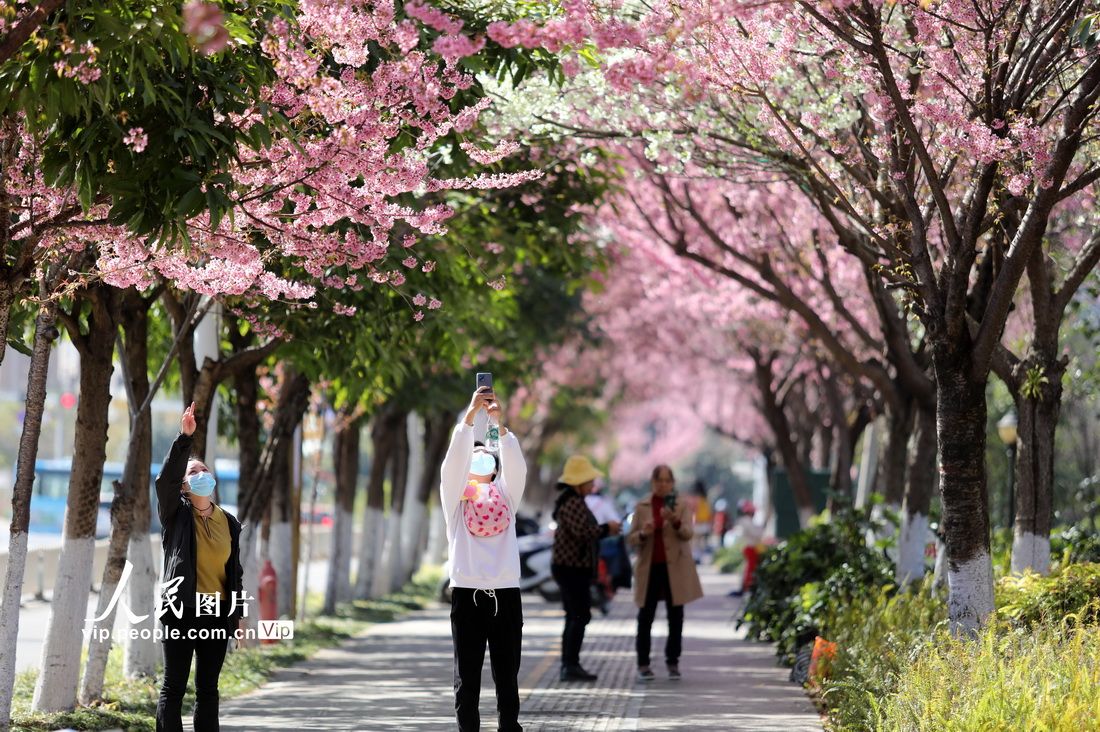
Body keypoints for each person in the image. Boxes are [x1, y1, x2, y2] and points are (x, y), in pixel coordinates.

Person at [440, 386, 527, 732]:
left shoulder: (506, 495)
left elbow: (517, 468)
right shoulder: (455, 502)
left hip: (506, 594)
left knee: (508, 677)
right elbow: (451, 468)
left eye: (483, 456)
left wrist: (499, 427)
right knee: (467, 678)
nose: (476, 460)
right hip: (467, 594)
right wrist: (470, 418)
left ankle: (510, 727)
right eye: (471, 457)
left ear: (493, 467)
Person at [155, 402, 245, 732]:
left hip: (216, 610)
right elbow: (165, 479)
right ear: (183, 485)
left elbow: (235, 573)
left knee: (208, 689)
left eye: (204, 470)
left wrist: (237, 615)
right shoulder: (175, 516)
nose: (201, 475)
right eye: (193, 472)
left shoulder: (230, 522)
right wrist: (184, 438)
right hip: (180, 609)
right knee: (174, 688)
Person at [627, 464, 703, 681]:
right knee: (645, 616)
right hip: (649, 568)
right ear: (652, 482)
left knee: (676, 616)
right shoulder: (642, 506)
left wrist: (674, 520)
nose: (663, 484)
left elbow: (688, 533)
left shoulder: (680, 506)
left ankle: (673, 662)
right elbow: (630, 539)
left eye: (667, 480)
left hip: (675, 568)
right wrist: (643, 533)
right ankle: (643, 663)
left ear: (673, 483)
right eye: (658, 480)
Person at [551, 456, 621, 681]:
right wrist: (606, 529)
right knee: (578, 616)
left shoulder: (574, 500)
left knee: (576, 616)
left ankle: (571, 664)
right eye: (589, 480)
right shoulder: (571, 502)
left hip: (575, 568)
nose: (593, 485)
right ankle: (569, 665)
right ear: (578, 482)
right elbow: (582, 532)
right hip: (570, 569)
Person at [728, 499, 764, 597]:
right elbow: (756, 534)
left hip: (749, 547)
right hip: (750, 547)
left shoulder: (744, 520)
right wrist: (761, 528)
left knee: (749, 568)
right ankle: (747, 587)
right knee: (750, 568)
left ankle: (746, 586)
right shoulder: (746, 521)